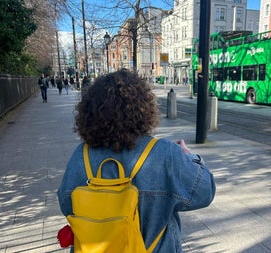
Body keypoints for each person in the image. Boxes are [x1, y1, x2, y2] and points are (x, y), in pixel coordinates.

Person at [57, 69, 215, 253]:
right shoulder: (164, 153)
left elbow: (67, 204)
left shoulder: (81, 155)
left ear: (89, 113)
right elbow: (205, 192)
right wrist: (187, 156)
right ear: (143, 108)